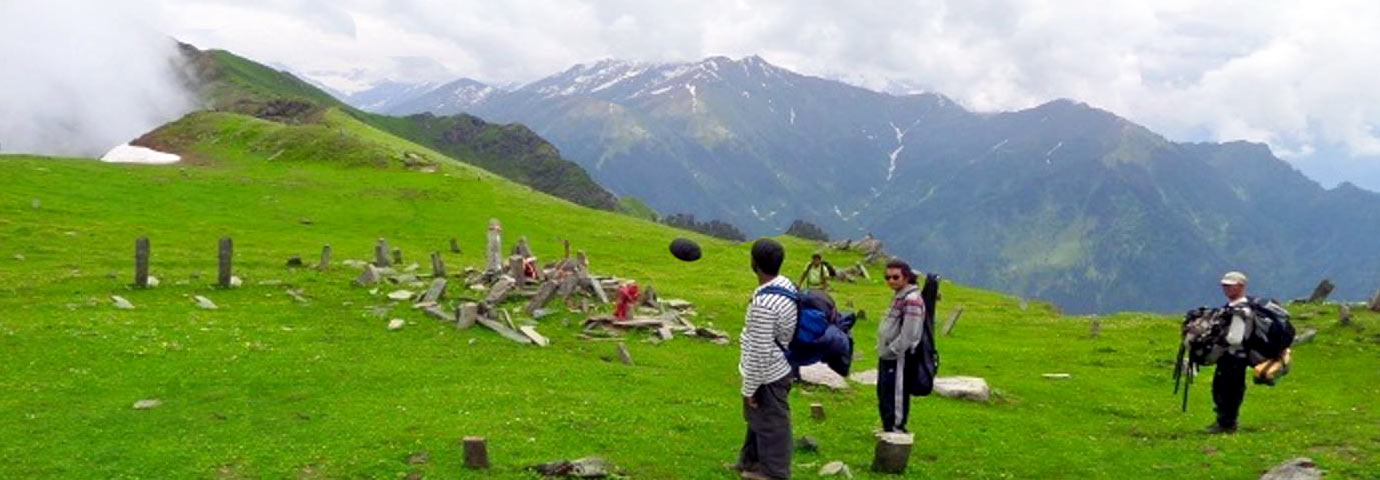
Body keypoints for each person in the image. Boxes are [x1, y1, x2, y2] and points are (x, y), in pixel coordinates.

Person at [732, 238, 798, 480]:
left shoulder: (764, 304)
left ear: (754, 264)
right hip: (781, 364)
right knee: (757, 419)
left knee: (772, 423)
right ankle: (748, 462)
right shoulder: (786, 286)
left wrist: (750, 387)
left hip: (768, 372)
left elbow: (760, 350)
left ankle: (774, 473)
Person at [877, 260, 925, 433]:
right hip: (887, 355)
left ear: (906, 277)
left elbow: (910, 333)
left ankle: (896, 427)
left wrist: (894, 350)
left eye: (895, 277)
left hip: (899, 358)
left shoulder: (912, 299)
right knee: (884, 392)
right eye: (887, 277)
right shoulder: (899, 295)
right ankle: (887, 425)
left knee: (895, 393)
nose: (891, 281)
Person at [1208, 271, 1252, 434]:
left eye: (1230, 285)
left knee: (1229, 390)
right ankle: (1224, 420)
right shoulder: (1233, 307)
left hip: (1234, 356)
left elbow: (1235, 338)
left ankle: (1227, 423)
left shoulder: (1240, 310)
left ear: (1241, 286)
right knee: (1221, 388)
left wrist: (1219, 342)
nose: (1226, 289)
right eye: (1224, 286)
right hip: (1230, 356)